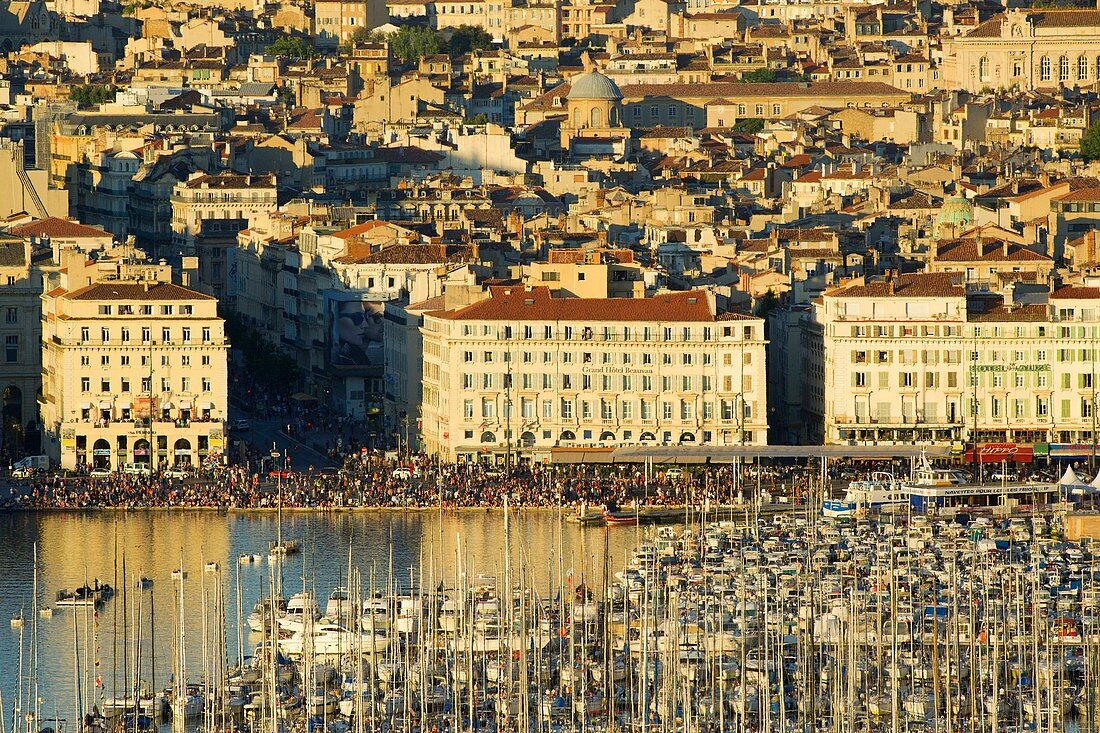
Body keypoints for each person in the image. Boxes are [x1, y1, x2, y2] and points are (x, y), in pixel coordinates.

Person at [333, 300, 384, 366]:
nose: (365, 325)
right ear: (335, 317)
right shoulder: (344, 359)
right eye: (377, 317)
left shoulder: (359, 357)